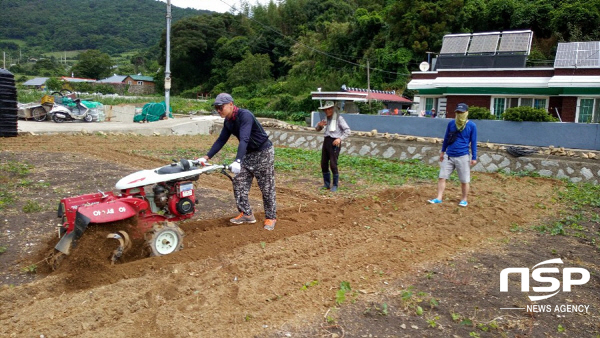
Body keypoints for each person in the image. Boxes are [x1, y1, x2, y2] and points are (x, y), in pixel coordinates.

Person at [199, 93, 277, 230]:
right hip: (249, 154)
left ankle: (271, 217)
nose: (218, 110)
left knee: (266, 187)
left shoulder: (245, 115)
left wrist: (238, 161)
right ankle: (247, 214)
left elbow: (245, 138)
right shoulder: (228, 121)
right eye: (216, 107)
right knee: (239, 182)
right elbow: (221, 140)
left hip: (263, 152)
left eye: (220, 107)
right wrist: (207, 157)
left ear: (231, 104)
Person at [428, 103, 477, 207]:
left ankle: (464, 199)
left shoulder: (472, 126)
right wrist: (442, 152)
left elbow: (473, 142)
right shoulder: (451, 124)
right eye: (458, 112)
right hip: (449, 155)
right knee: (442, 177)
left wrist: (474, 157)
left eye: (461, 112)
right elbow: (446, 138)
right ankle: (439, 197)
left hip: (463, 156)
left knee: (464, 180)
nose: (459, 114)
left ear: (466, 113)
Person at [315, 101, 351, 192]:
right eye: (326, 109)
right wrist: (319, 126)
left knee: (333, 164)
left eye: (329, 109)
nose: (327, 111)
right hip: (326, 141)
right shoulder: (325, 119)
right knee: (324, 163)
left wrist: (339, 139)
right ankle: (326, 184)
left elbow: (347, 130)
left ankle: (335, 185)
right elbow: (317, 129)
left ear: (333, 109)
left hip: (335, 142)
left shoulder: (339, 118)